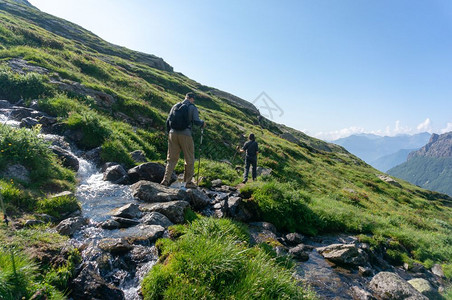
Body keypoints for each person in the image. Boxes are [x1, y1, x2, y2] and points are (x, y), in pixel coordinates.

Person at [161, 92, 206, 188]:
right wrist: (202, 123)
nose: (194, 100)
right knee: (189, 158)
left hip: (172, 134)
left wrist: (169, 133)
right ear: (191, 99)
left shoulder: (175, 106)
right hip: (185, 134)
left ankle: (165, 180)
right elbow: (196, 121)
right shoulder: (192, 107)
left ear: (185, 97)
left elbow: (168, 120)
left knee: (171, 159)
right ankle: (188, 183)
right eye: (194, 99)